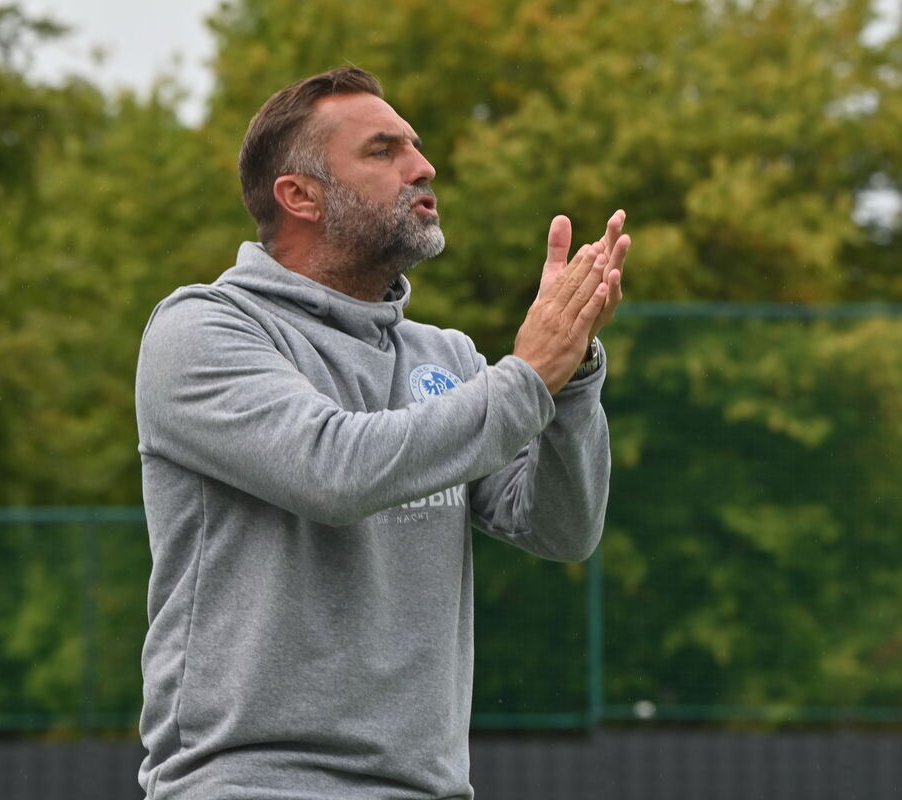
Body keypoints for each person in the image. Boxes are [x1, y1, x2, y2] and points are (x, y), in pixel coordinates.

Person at [134, 67, 629, 799]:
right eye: (383, 150)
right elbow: (332, 472)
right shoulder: (203, 330)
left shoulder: (446, 357)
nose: (422, 166)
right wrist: (529, 377)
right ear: (299, 196)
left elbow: (561, 529)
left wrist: (574, 371)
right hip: (253, 784)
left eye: (415, 146)